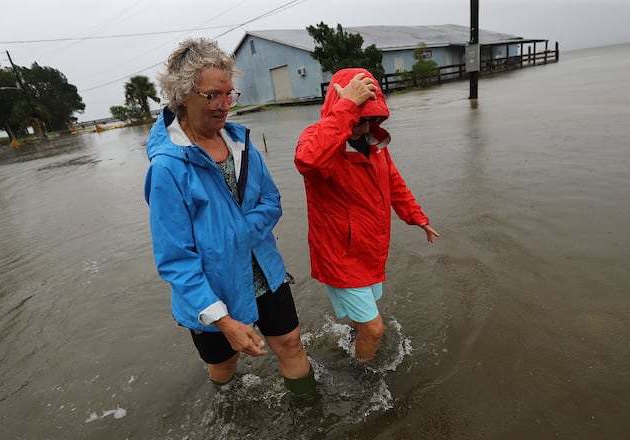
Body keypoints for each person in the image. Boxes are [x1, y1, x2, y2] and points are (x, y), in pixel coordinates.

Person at [144, 38, 315, 398]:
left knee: (290, 343)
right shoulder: (167, 168)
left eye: (229, 94)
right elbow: (176, 260)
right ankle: (230, 412)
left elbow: (271, 199)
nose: (225, 105)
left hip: (263, 268)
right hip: (210, 287)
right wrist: (223, 320)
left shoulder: (240, 141)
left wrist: (238, 231)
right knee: (224, 366)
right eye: (213, 96)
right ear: (182, 95)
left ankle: (310, 413)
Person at [294, 67, 440, 364]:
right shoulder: (319, 139)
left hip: (370, 249)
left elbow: (393, 182)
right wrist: (346, 107)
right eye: (360, 119)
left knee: (367, 312)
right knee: (375, 330)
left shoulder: (375, 145)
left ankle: (353, 339)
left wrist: (416, 216)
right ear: (340, 106)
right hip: (341, 254)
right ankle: (362, 375)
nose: (365, 126)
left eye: (372, 118)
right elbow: (307, 162)